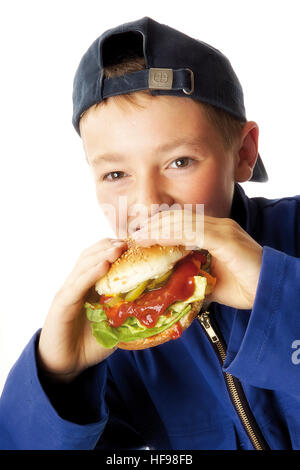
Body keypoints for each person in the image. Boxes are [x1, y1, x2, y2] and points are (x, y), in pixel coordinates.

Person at [0, 16, 299, 451]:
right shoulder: (124, 331)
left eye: (180, 162)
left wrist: (277, 296)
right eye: (116, 173)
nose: (148, 202)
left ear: (243, 153)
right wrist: (59, 378)